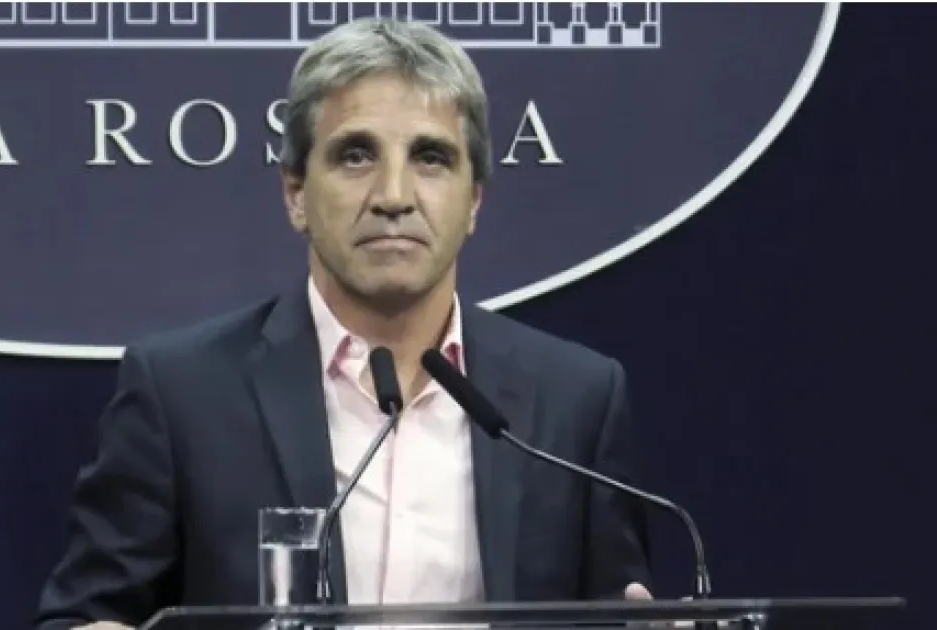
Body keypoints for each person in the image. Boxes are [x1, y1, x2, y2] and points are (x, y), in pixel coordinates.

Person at [34, 16, 653, 630]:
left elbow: (615, 611)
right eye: (356, 156)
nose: (393, 196)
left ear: (473, 201)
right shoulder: (183, 394)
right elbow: (86, 615)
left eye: (430, 158)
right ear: (296, 194)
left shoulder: (575, 401)